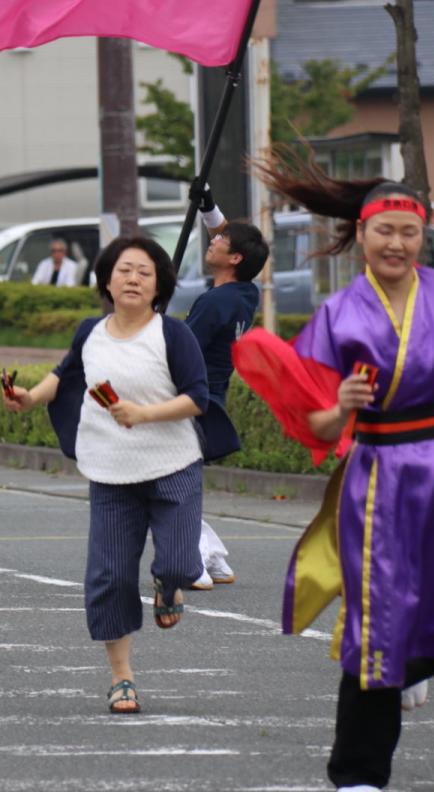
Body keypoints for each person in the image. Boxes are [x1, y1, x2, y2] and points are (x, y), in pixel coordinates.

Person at [233, 151, 434, 792]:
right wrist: (340, 407)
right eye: (385, 230)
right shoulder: (341, 315)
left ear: (423, 236)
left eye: (410, 232)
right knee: (378, 619)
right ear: (363, 234)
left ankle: (397, 668)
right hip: (379, 474)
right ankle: (359, 773)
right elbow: (318, 427)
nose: (398, 243)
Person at [4, 235, 208, 714]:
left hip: (172, 464)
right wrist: (29, 397)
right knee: (110, 577)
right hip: (111, 470)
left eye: (144, 272)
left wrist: (145, 413)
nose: (133, 278)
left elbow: (198, 397)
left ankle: (167, 584)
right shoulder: (89, 332)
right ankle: (122, 679)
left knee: (180, 562)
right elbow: (65, 376)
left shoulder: (172, 334)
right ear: (107, 280)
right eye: (124, 270)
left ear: (159, 285)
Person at [184, 186, 268, 590]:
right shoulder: (245, 292)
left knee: (169, 482)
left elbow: (181, 352)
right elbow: (235, 239)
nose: (213, 239)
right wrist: (209, 209)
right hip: (209, 398)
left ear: (233, 258)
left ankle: (194, 560)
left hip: (190, 401)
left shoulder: (214, 304)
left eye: (219, 240)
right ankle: (211, 555)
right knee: (177, 479)